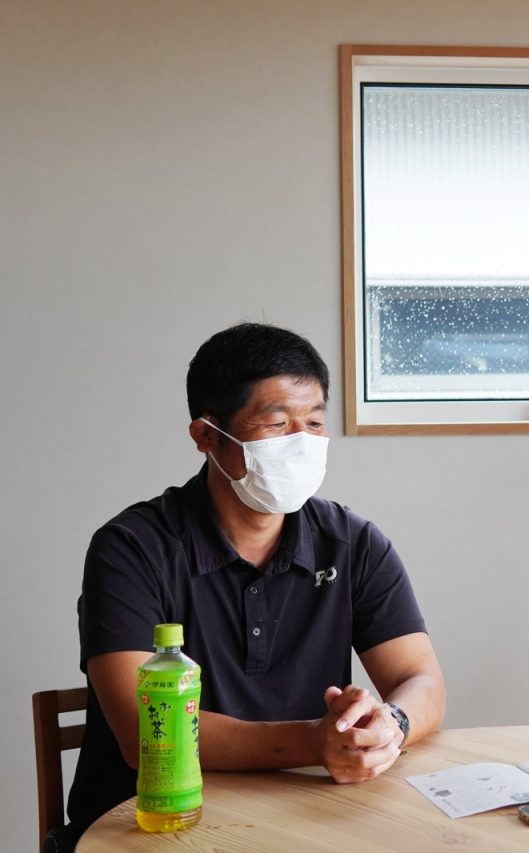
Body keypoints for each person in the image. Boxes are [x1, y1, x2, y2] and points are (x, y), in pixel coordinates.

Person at [57, 323, 446, 850]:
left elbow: (421, 678)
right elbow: (144, 734)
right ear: (206, 435)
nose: (302, 444)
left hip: (308, 816)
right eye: (277, 425)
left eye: (313, 423)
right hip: (150, 826)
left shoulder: (350, 542)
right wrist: (314, 741)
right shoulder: (132, 548)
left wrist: (388, 724)